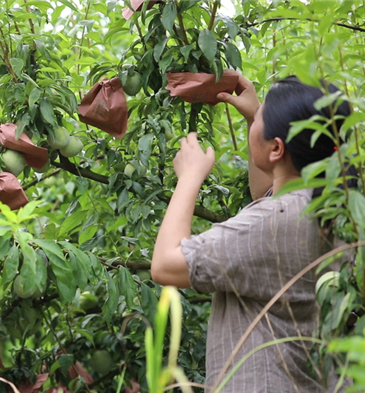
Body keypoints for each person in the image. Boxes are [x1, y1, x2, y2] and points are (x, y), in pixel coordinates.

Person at [151, 74, 355, 392]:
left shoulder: (275, 222)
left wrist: (189, 178)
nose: (257, 118)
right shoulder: (332, 204)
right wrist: (254, 115)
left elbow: (166, 264)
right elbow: (267, 196)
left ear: (277, 148)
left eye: (262, 119)